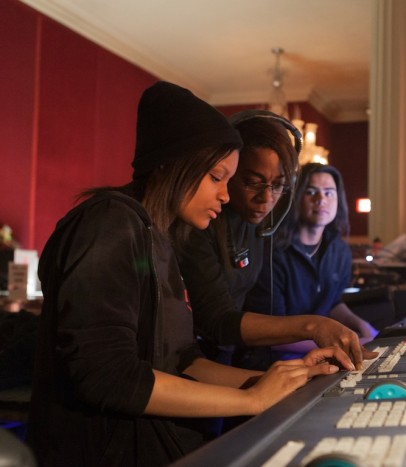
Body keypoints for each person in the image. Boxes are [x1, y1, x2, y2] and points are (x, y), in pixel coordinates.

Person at [26, 81, 351, 466]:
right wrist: (251, 399)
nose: (226, 195)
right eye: (216, 177)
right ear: (174, 164)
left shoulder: (159, 234)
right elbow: (108, 377)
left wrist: (287, 380)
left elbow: (185, 361)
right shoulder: (109, 224)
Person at [176, 112, 376, 370]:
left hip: (224, 358)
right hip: (202, 360)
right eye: (252, 182)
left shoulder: (262, 226)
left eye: (278, 185)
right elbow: (217, 319)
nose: (266, 198)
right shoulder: (202, 224)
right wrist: (313, 327)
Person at [243, 163, 378, 367]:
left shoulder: (339, 250)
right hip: (275, 361)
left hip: (322, 353)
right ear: (296, 198)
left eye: (329, 192)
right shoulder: (273, 251)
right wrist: (340, 345)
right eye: (311, 192)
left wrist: (359, 324)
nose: (321, 199)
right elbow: (270, 334)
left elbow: (331, 302)